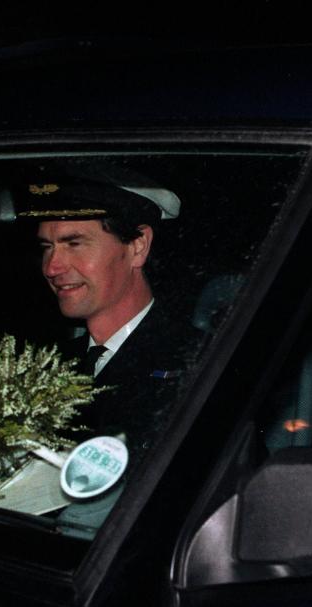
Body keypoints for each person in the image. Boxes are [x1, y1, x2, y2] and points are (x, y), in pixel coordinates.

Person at [18, 175, 201, 451]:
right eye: (47, 247)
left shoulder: (198, 361)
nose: (52, 267)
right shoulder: (43, 364)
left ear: (138, 246)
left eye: (74, 244)